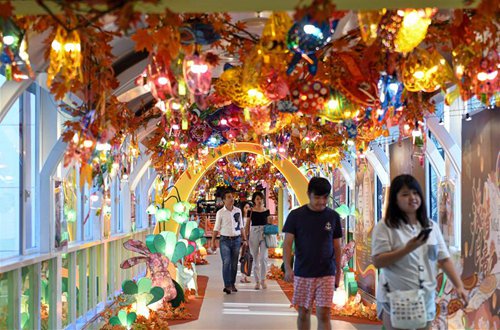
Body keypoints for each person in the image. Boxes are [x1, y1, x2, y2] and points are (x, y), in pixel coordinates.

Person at [372, 174, 467, 330]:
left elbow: (443, 259)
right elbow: (377, 261)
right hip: (395, 299)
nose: (412, 197)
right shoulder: (385, 227)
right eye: (405, 194)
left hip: (425, 298)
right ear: (395, 199)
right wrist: (407, 249)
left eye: (415, 193)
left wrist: (459, 286)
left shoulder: (431, 226)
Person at [283, 177, 342, 330]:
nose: (322, 201)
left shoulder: (333, 217)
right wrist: (288, 268)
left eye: (325, 198)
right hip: (303, 272)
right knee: (303, 312)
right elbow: (288, 243)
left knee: (324, 314)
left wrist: (338, 272)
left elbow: (337, 247)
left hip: (326, 273)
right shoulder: (296, 216)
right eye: (317, 197)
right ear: (309, 194)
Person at [211, 190, 248, 294]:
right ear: (223, 200)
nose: (232, 199)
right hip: (224, 241)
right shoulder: (220, 213)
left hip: (236, 240)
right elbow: (216, 227)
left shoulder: (238, 211)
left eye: (232, 197)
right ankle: (227, 285)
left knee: (234, 263)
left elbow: (241, 226)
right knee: (226, 262)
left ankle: (232, 284)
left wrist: (245, 239)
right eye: (229, 197)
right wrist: (213, 241)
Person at [244, 191, 271, 290]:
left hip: (264, 233)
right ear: (254, 201)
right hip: (254, 233)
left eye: (261, 199)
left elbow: (269, 223)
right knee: (255, 258)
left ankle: (263, 279)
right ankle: (257, 281)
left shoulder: (266, 210)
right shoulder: (250, 211)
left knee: (263, 257)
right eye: (257, 199)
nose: (259, 201)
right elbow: (247, 225)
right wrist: (246, 237)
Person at [240, 201, 252, 283]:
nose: (247, 209)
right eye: (246, 207)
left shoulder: (251, 219)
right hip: (243, 239)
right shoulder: (240, 219)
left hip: (251, 238)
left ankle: (247, 275)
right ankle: (242, 275)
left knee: (250, 257)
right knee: (243, 257)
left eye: (249, 208)